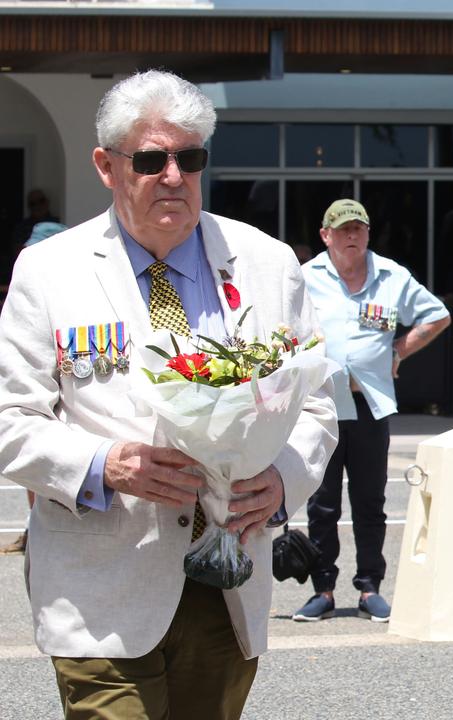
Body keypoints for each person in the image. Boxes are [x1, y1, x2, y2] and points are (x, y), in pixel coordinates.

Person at [0, 69, 338, 718]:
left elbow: (315, 402)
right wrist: (105, 465)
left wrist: (284, 479)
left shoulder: (267, 264)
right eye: (152, 159)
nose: (174, 176)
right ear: (106, 165)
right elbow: (12, 419)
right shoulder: (49, 272)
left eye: (191, 158)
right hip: (101, 585)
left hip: (228, 580)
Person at [296, 199, 451, 623]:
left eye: (358, 229)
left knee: (370, 502)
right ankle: (323, 589)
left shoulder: (391, 276)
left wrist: (401, 348)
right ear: (325, 236)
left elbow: (437, 316)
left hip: (369, 404)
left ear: (367, 234)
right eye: (342, 229)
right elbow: (281, 329)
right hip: (321, 404)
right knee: (323, 504)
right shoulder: (305, 279)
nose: (351, 236)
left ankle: (369, 588)